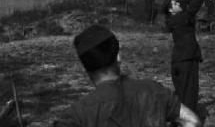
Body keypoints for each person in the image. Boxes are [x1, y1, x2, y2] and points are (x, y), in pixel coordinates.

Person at [53, 24, 200, 127]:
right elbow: (191, 121)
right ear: (118, 57)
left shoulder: (77, 114)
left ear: (85, 67)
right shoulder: (154, 91)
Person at [164, 0, 205, 113]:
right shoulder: (180, 17)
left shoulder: (173, 19)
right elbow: (191, 10)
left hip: (181, 58)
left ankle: (180, 114)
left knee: (182, 90)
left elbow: (185, 5)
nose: (178, 3)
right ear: (171, 10)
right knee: (189, 90)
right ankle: (187, 117)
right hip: (186, 58)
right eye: (175, 3)